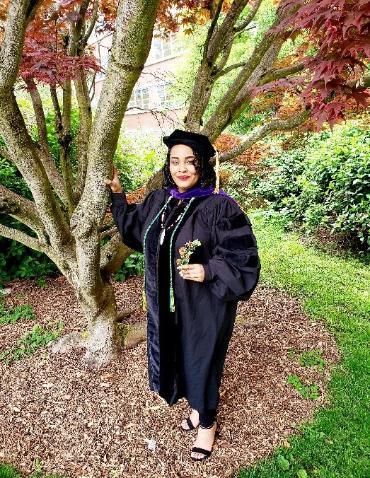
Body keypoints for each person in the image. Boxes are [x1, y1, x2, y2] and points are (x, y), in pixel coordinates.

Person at [105, 129, 261, 461]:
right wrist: (118, 195)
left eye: (190, 162)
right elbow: (135, 229)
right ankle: (194, 408)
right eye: (175, 162)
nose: (182, 169)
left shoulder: (220, 207)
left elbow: (243, 257)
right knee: (180, 355)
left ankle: (207, 423)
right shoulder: (162, 200)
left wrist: (209, 270)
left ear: (202, 165)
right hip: (168, 303)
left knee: (202, 358)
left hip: (205, 304)